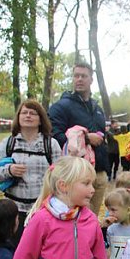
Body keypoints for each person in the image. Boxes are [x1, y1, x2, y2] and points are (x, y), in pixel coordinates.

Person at [0, 100, 62, 243]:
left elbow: (61, 177)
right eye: (24, 112)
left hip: (43, 211)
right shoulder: (8, 143)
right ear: (18, 117)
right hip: (13, 213)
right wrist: (9, 170)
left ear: (41, 119)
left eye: (33, 113)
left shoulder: (51, 144)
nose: (28, 116)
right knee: (15, 254)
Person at [49, 63, 111, 218]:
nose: (79, 79)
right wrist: (86, 138)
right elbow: (53, 133)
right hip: (75, 175)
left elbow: (102, 134)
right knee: (75, 219)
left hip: (99, 173)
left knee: (91, 219)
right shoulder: (62, 106)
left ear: (91, 79)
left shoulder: (97, 108)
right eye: (76, 75)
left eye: (83, 76)